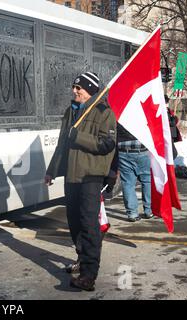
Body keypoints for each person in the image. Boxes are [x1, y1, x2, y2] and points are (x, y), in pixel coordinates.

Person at [44, 72, 117, 291]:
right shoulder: (70, 111)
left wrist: (79, 137)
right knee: (74, 222)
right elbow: (61, 145)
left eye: (80, 88)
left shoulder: (105, 112)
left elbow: (107, 144)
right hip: (71, 176)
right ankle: (81, 258)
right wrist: (52, 171)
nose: (75, 91)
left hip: (90, 177)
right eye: (74, 87)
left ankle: (88, 274)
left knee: (88, 225)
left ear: (91, 90)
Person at [117, 123, 154, 222]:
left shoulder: (119, 113)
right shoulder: (140, 111)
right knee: (146, 181)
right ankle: (148, 210)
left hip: (123, 150)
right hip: (141, 148)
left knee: (128, 183)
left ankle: (132, 213)